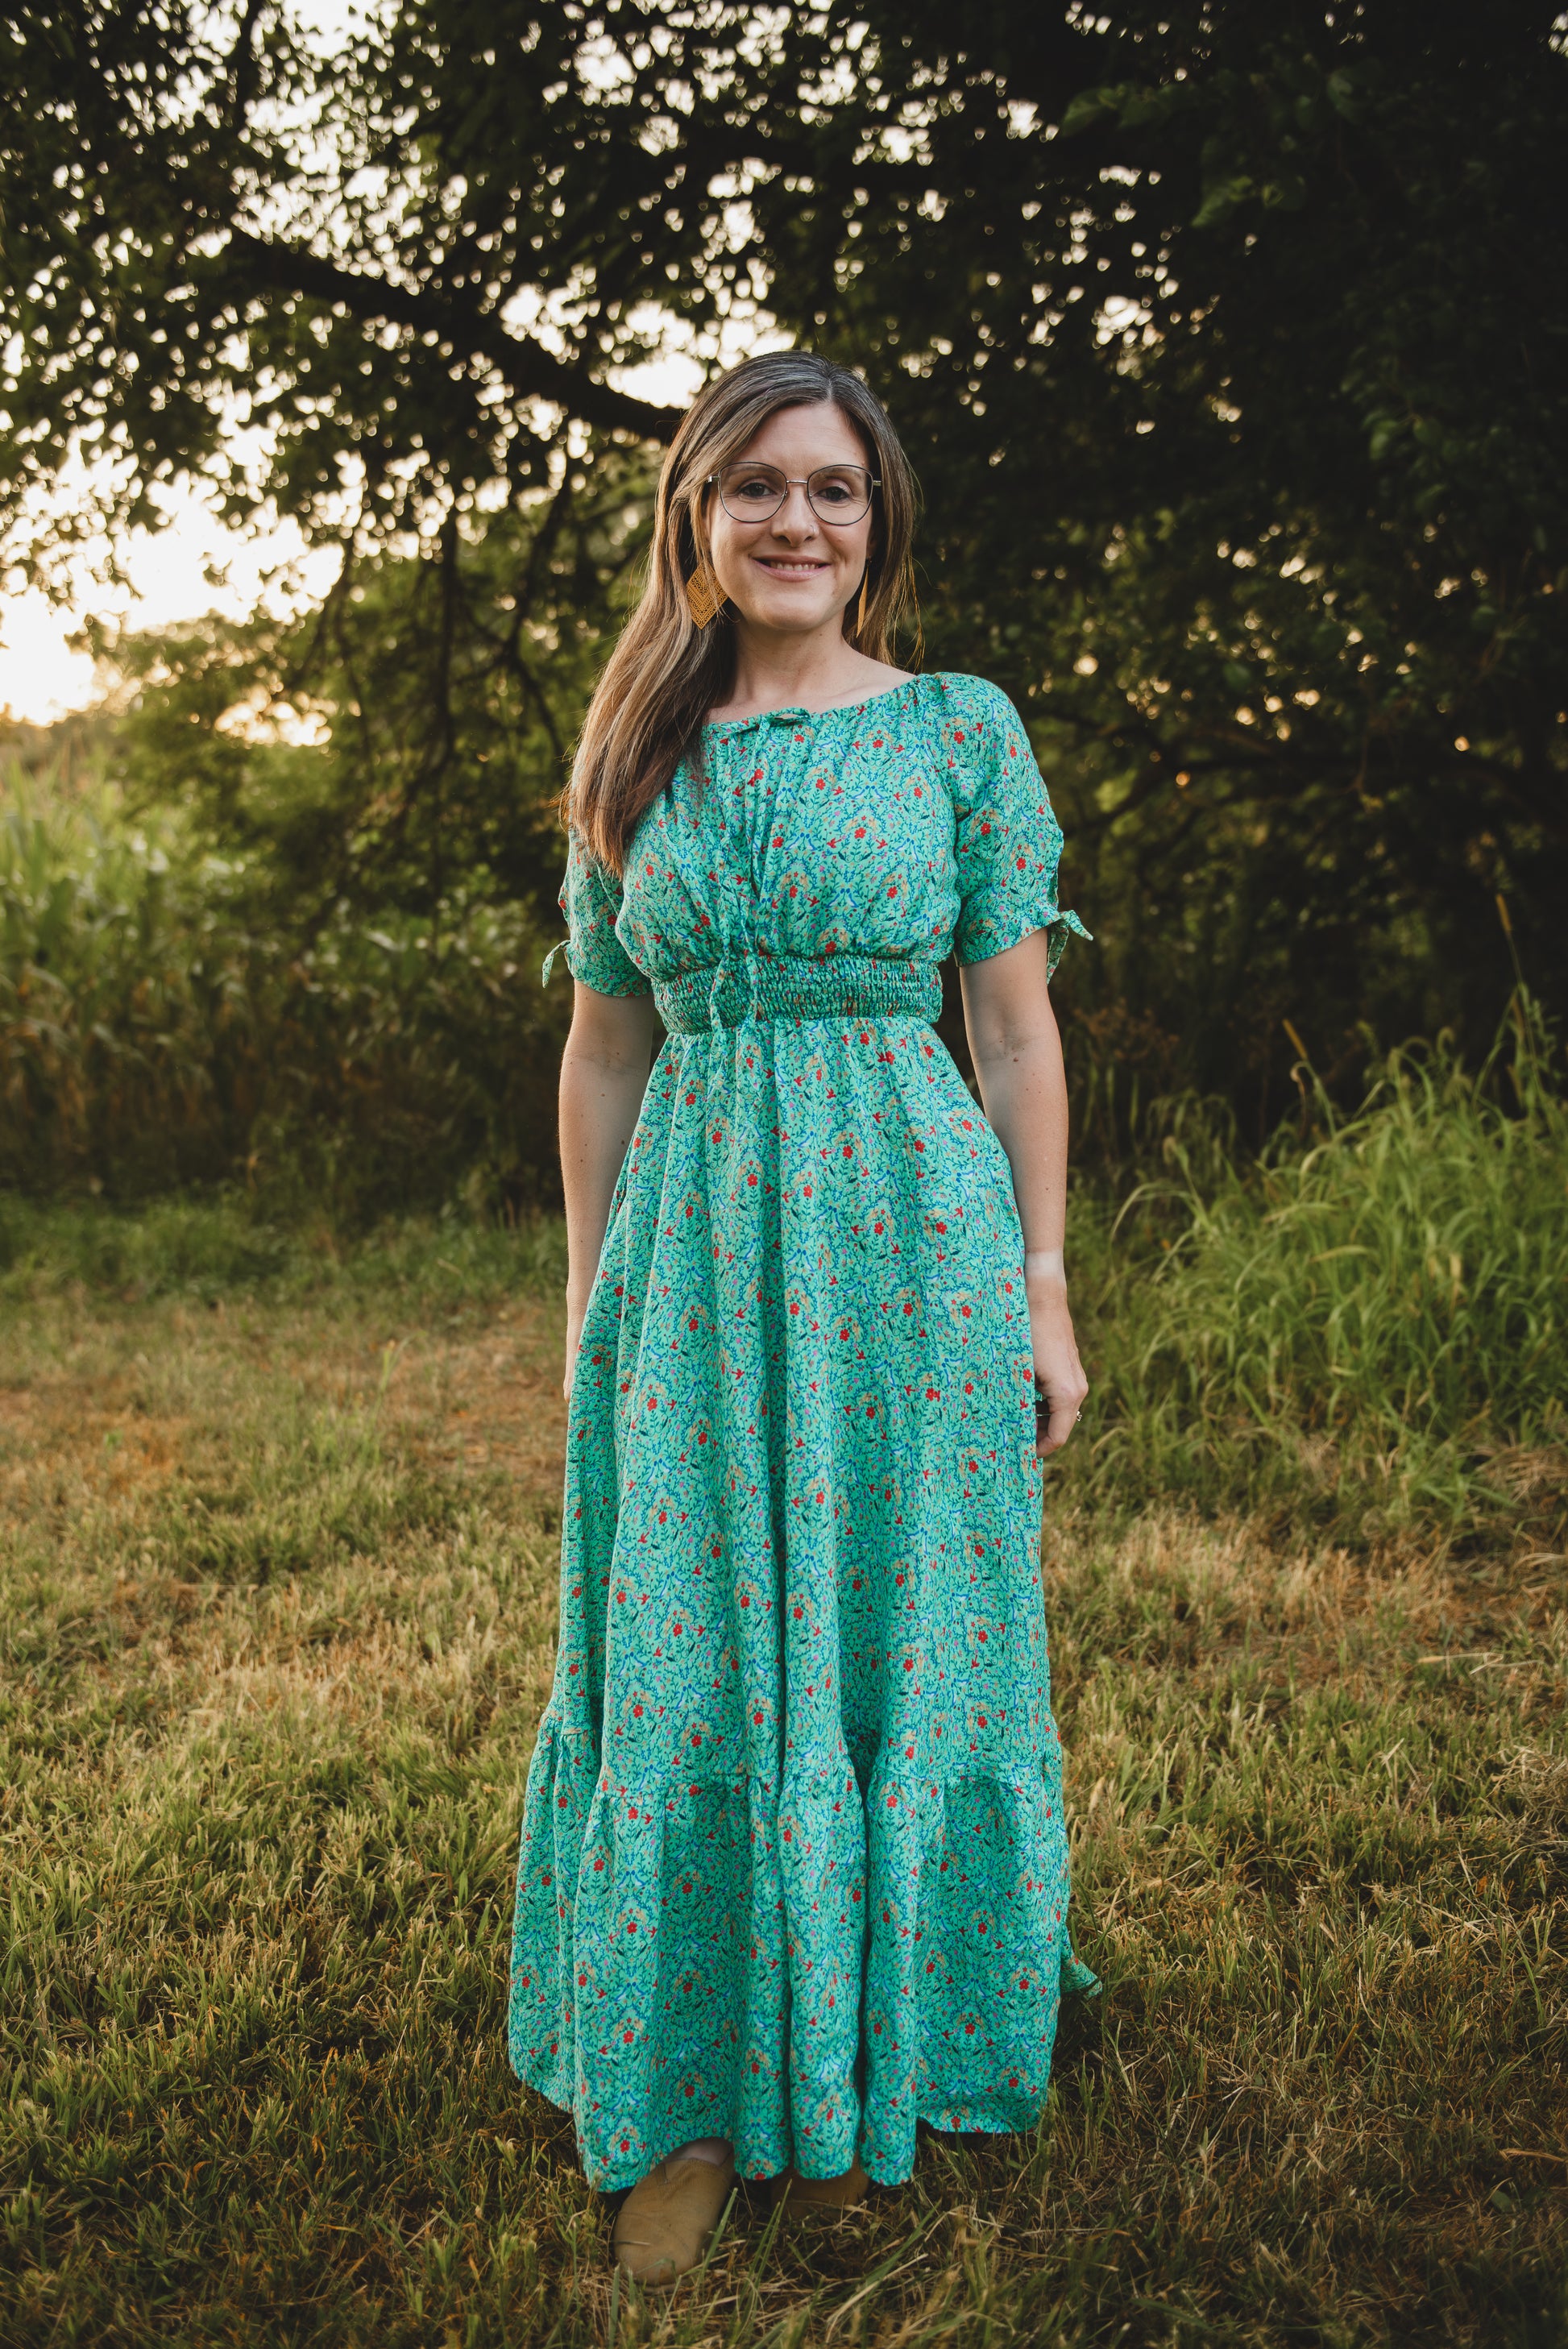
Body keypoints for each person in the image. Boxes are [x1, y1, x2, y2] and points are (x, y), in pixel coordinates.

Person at [508, 350, 1098, 2285]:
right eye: (756, 485)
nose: (795, 520)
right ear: (693, 513)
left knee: (891, 1639)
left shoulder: (954, 730)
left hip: (907, 1240)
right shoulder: (634, 756)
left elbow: (1011, 1030)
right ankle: (677, 2106)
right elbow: (603, 1054)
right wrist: (594, 1294)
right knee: (681, 1641)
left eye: (833, 488)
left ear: (878, 523)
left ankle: (858, 2098)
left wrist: (1041, 1291)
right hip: (694, 1244)